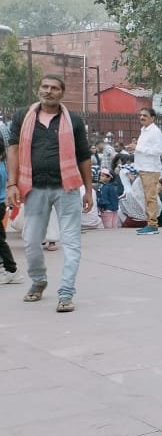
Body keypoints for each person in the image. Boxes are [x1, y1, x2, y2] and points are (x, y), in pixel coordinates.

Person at [5, 74, 94, 312]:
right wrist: (11, 183)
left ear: (61, 94)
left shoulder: (73, 120)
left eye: (54, 88)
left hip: (67, 188)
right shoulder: (24, 116)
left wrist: (89, 190)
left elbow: (84, 156)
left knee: (72, 242)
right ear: (39, 90)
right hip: (34, 188)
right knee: (32, 241)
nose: (49, 91)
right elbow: (12, 149)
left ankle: (66, 292)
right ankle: (38, 280)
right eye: (45, 86)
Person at [133, 106, 162, 235]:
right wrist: (135, 148)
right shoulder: (144, 130)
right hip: (143, 167)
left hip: (151, 168)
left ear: (152, 118)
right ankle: (149, 223)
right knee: (147, 197)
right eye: (141, 115)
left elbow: (159, 151)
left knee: (151, 197)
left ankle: (152, 225)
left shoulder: (155, 132)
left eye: (145, 115)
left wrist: (139, 148)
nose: (142, 117)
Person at [0, 130, 24, 284]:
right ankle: (9, 268)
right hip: (1, 204)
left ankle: (12, 270)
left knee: (0, 241)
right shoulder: (3, 164)